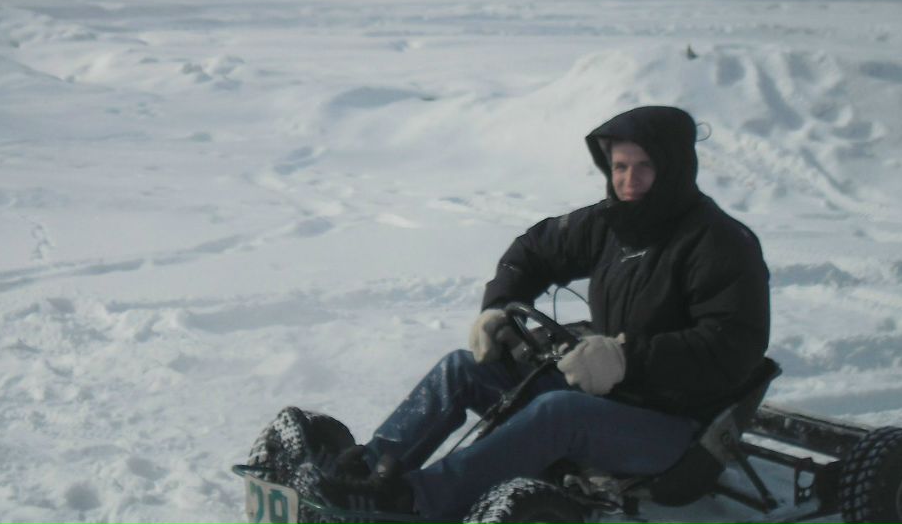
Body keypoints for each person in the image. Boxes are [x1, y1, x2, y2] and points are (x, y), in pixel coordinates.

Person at [291, 105, 771, 522]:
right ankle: (366, 475)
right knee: (464, 368)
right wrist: (497, 308)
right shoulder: (613, 223)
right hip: (608, 397)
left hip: (678, 429)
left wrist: (629, 358)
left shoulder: (720, 243)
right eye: (620, 166)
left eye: (644, 166)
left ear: (676, 167)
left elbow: (733, 348)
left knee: (557, 414)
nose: (629, 180)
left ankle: (411, 502)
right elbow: (533, 251)